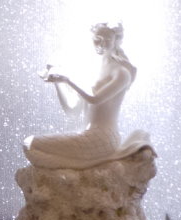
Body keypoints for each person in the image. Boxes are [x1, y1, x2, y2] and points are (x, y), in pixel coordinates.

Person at [23, 22, 153, 169]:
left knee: (30, 145)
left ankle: (87, 166)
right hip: (89, 134)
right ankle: (83, 167)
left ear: (116, 41)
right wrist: (57, 81)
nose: (101, 44)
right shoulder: (90, 70)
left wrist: (67, 79)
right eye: (97, 39)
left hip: (104, 138)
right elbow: (72, 110)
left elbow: (95, 99)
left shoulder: (121, 72)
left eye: (107, 39)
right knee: (28, 145)